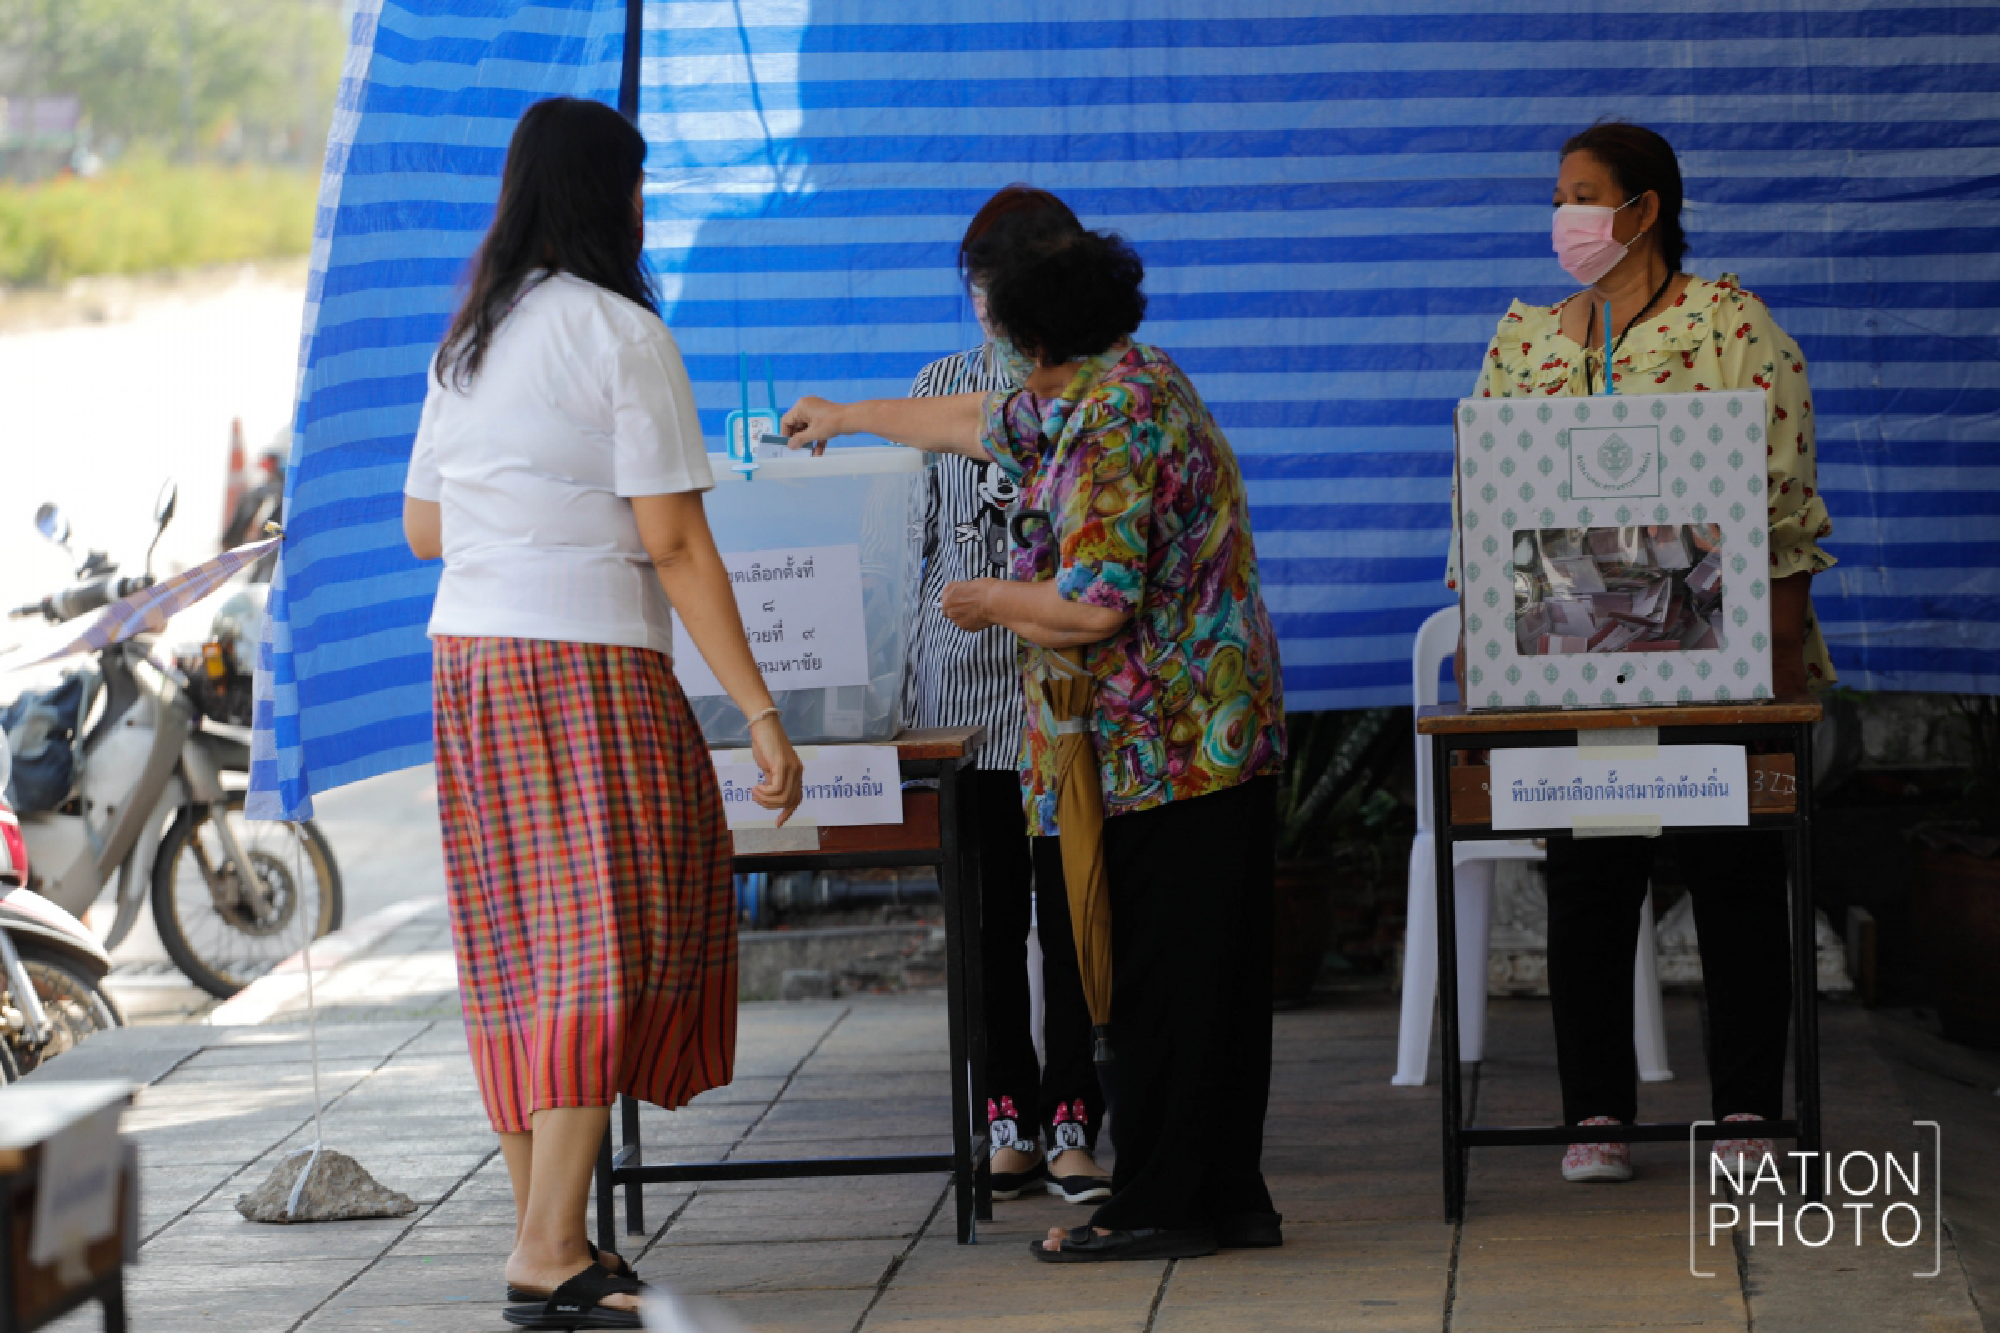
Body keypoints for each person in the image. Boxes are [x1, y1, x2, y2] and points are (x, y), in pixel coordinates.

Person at [782, 205, 1288, 1262]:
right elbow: (970, 424)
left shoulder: (1109, 421)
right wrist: (851, 414)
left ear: (1037, 339)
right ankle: (1223, 1196)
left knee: (1158, 985)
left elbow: (1095, 603)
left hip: (1172, 742)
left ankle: (1156, 1203)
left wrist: (987, 599)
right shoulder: (1122, 381)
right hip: (1209, 736)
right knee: (1211, 982)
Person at [402, 97, 803, 1329]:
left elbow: (424, 528)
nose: (646, 208)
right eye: (637, 186)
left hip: (468, 660)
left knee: (522, 948)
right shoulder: (620, 333)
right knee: (608, 938)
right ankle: (540, 1251)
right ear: (606, 196)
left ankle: (553, 1233)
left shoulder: (470, 337)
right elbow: (674, 539)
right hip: (582, 661)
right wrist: (758, 709)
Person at [1449, 121, 1836, 1184]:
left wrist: (1780, 667)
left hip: (1719, 661)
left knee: (1734, 876)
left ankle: (1750, 1109)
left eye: (1583, 194)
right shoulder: (1524, 340)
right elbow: (1479, 504)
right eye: (1559, 194)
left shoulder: (1729, 326)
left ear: (1642, 209)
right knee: (1588, 880)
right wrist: (1486, 662)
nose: (1563, 216)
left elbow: (1782, 500)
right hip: (1569, 665)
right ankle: (1595, 1117)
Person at [903, 185, 1111, 1206]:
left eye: (1006, 276)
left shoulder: (1094, 388)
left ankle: (1075, 1113)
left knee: (1068, 915)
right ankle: (1005, 1117)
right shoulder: (942, 383)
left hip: (1065, 697)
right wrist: (906, 700)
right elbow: (920, 548)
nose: (987, 298)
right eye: (977, 278)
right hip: (964, 697)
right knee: (985, 921)